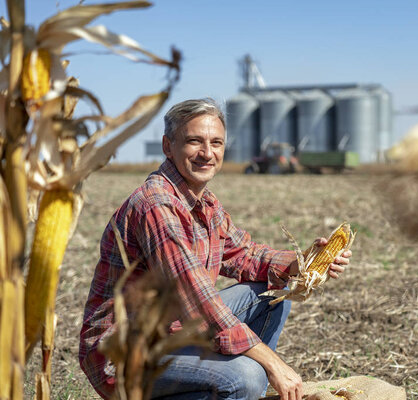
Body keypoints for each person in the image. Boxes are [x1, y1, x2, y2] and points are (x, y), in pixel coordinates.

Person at [79, 98, 352, 400]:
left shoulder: (206, 203)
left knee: (270, 295)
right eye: (194, 141)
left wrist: (302, 264)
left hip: (167, 332)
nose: (207, 153)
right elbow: (196, 298)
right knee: (247, 376)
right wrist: (270, 361)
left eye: (216, 142)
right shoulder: (155, 205)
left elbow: (245, 255)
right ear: (168, 146)